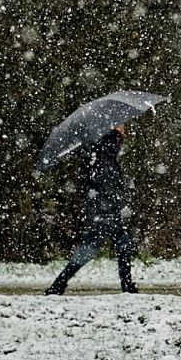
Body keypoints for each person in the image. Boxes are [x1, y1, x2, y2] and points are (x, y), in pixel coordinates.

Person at [46, 124, 137, 294]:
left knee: (107, 247)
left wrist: (122, 184)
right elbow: (107, 184)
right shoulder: (108, 150)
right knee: (116, 247)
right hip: (106, 212)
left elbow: (94, 182)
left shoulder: (98, 152)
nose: (124, 129)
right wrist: (121, 204)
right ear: (114, 131)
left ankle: (59, 284)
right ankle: (127, 286)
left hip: (99, 211)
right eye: (121, 127)